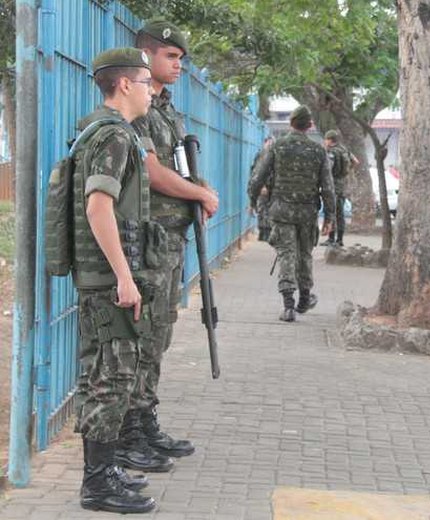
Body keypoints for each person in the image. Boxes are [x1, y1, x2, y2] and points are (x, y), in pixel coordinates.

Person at [115, 18, 219, 472]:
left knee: (159, 335)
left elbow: (178, 165)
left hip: (170, 239)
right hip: (146, 239)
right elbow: (152, 171)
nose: (179, 65)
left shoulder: (166, 109)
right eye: (171, 57)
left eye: (180, 59)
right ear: (148, 55)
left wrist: (199, 187)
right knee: (139, 338)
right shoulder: (135, 106)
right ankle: (126, 434)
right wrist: (198, 193)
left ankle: (145, 421)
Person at [71, 48, 161, 514]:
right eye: (146, 82)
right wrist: (126, 278)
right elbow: (97, 206)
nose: (151, 91)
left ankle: (102, 471)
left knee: (101, 375)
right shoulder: (115, 137)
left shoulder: (103, 132)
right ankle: (98, 484)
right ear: (124, 85)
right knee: (112, 377)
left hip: (100, 278)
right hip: (109, 280)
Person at [248, 105, 335, 322]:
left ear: (291, 123)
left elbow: (258, 178)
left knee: (286, 253)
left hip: (281, 210)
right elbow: (328, 187)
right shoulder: (318, 151)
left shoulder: (277, 147)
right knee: (305, 254)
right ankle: (304, 299)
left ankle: (288, 306)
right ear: (310, 125)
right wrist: (330, 216)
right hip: (307, 212)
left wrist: (252, 199)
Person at [322, 129, 352, 247]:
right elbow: (356, 162)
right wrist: (344, 174)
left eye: (325, 139)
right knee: (340, 214)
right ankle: (340, 240)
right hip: (343, 185)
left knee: (331, 212)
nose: (325, 142)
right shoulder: (345, 150)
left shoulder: (331, 152)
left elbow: (328, 169)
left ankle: (331, 239)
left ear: (330, 140)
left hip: (333, 185)